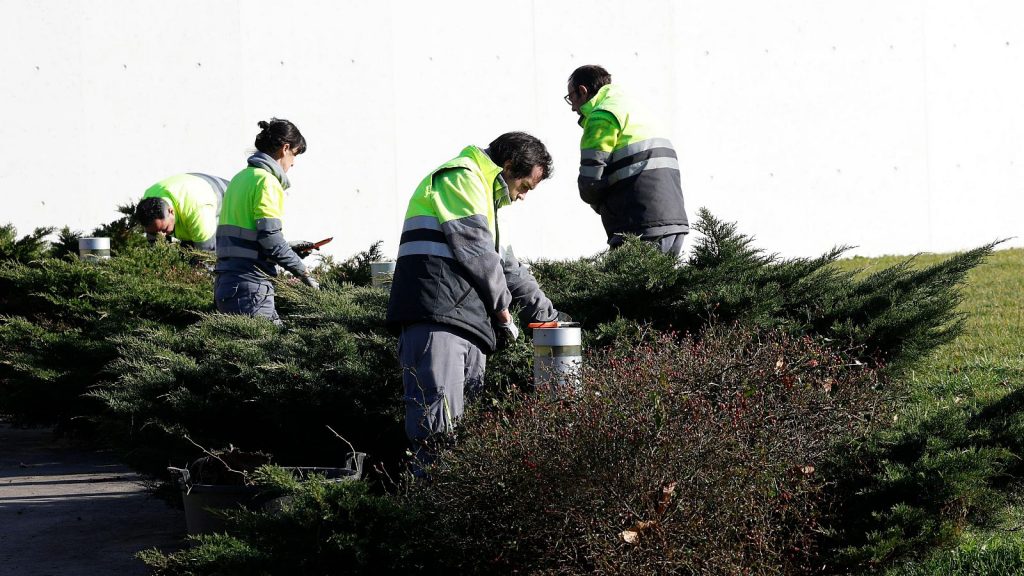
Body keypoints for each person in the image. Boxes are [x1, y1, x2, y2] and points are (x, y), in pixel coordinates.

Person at [386, 131, 567, 472]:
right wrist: (504, 314)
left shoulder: (485, 197)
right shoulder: (461, 177)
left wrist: (547, 315)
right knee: (437, 431)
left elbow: (507, 266)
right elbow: (478, 254)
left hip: (464, 325)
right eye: (525, 187)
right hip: (438, 318)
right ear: (509, 166)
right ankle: (428, 515)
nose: (522, 197)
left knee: (459, 436)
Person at [565, 65, 689, 256]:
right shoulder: (635, 109)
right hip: (673, 222)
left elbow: (589, 182)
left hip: (639, 224)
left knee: (627, 285)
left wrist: (596, 200)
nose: (573, 107)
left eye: (571, 98)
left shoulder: (602, 115)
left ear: (583, 91)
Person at [213, 118, 319, 326]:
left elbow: (249, 238)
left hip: (226, 285)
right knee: (271, 354)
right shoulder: (267, 182)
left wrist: (287, 250)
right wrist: (304, 273)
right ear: (285, 148)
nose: (294, 162)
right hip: (251, 288)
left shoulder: (240, 178)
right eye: (295, 154)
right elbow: (269, 238)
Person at [135, 173, 228, 251]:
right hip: (190, 185)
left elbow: (207, 256)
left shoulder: (198, 214)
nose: (161, 235)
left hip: (226, 197)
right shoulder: (147, 203)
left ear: (171, 211)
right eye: (155, 232)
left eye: (164, 229)